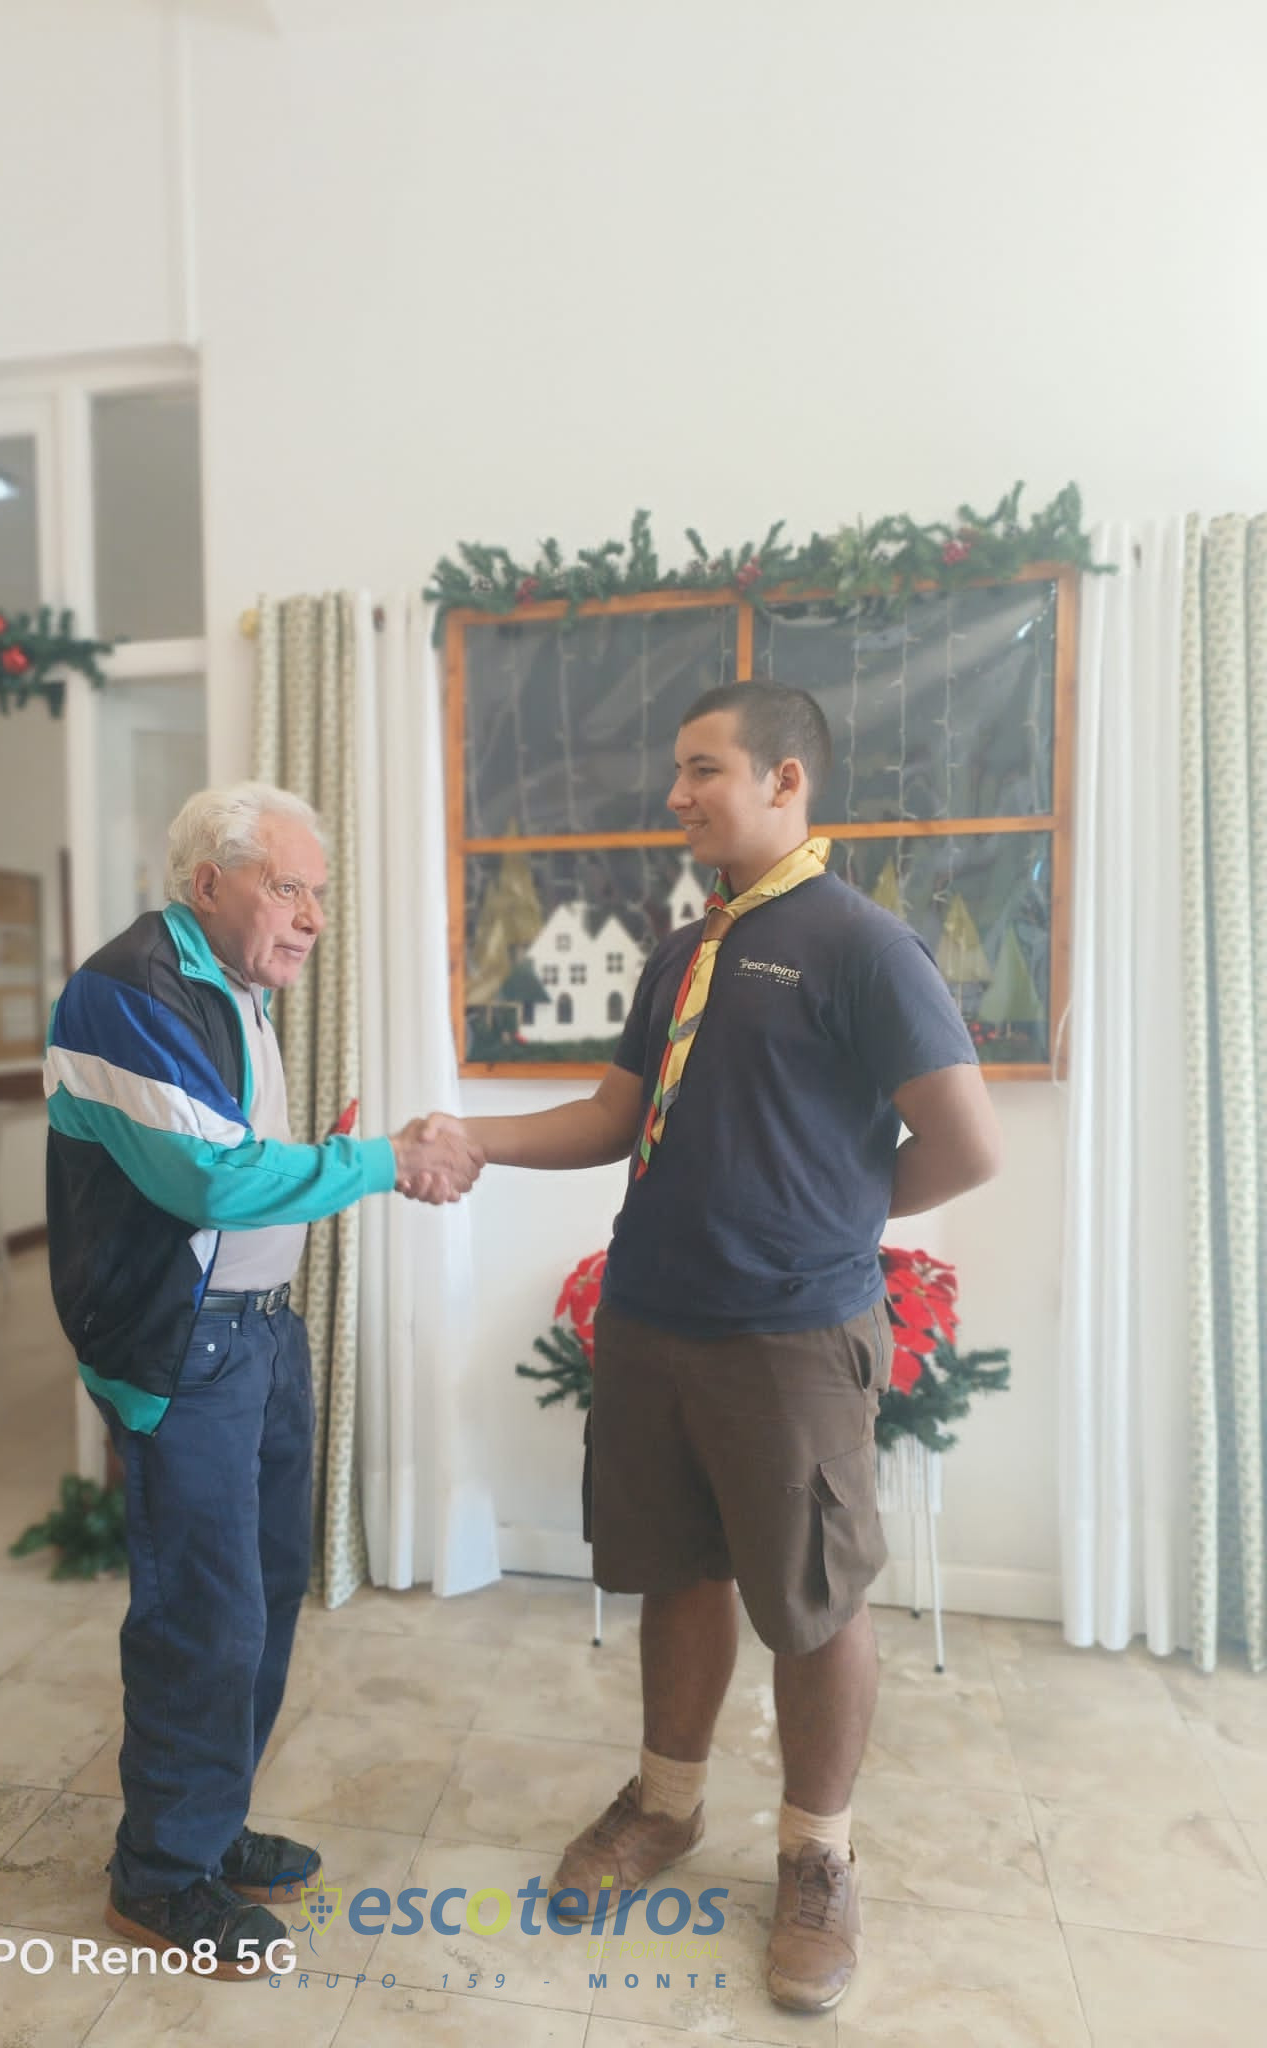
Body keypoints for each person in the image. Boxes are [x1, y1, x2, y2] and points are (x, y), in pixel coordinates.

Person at [446, 683, 1001, 2015]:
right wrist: (472, 1136)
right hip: (654, 1319)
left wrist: (831, 1219)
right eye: (679, 770)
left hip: (791, 1334)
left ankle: (818, 1856)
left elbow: (968, 1144)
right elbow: (611, 1118)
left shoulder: (864, 945)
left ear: (785, 780)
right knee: (678, 1568)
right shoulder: (684, 953)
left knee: (813, 1598)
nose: (678, 793)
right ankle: (665, 1803)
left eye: (704, 769)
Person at [43, 781, 480, 1980]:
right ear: (209, 883)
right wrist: (381, 1158)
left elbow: (235, 1155)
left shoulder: (229, 985)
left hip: (260, 1334)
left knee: (269, 1586)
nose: (312, 917)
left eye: (318, 893)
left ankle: (208, 1819)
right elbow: (212, 1181)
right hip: (182, 1346)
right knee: (206, 1608)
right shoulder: (126, 990)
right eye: (288, 887)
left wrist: (315, 1155)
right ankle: (160, 1874)